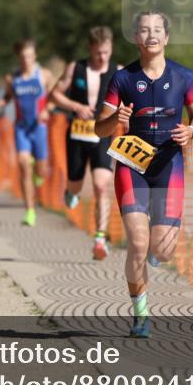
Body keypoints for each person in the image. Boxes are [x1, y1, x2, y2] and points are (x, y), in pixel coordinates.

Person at [95, 11, 193, 339]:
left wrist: (192, 132)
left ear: (167, 38)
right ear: (136, 38)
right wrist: (116, 118)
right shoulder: (122, 79)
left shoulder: (184, 77)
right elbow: (99, 127)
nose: (151, 35)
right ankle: (140, 313)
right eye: (144, 30)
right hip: (132, 165)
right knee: (138, 244)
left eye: (157, 30)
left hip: (169, 166)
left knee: (163, 251)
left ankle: (157, 252)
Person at [51, 26, 121, 260]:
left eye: (107, 52)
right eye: (99, 52)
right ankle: (71, 192)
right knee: (75, 186)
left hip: (102, 135)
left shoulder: (118, 71)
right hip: (78, 135)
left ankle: (100, 238)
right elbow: (55, 95)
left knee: (102, 185)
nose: (103, 57)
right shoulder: (76, 68)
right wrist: (76, 107)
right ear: (91, 49)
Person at [4, 39, 57, 227]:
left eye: (29, 56)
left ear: (35, 56)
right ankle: (30, 211)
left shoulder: (44, 75)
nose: (26, 60)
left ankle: (39, 170)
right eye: (23, 57)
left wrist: (47, 110)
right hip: (21, 128)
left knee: (41, 170)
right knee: (23, 163)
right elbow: (7, 97)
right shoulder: (12, 79)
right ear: (19, 58)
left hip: (39, 128)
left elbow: (54, 97)